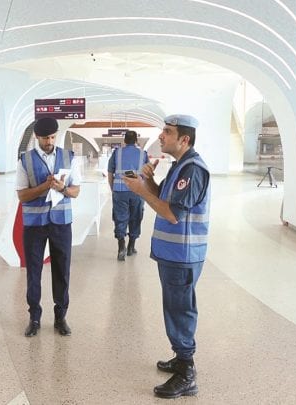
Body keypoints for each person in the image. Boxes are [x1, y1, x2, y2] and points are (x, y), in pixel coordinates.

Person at [123, 114, 209, 399]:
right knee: (174, 307)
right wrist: (149, 182)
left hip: (183, 253)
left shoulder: (193, 169)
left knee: (180, 309)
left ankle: (187, 372)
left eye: (168, 132)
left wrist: (139, 191)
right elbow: (167, 199)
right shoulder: (179, 167)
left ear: (184, 139)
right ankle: (180, 356)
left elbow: (172, 214)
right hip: (172, 253)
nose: (161, 136)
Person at [16, 117, 81, 337]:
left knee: (62, 270)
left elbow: (76, 191)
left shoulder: (68, 157)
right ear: (37, 137)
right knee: (33, 272)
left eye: (53, 137)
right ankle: (34, 317)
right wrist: (44, 186)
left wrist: (62, 188)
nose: (49, 141)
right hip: (34, 224)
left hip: (61, 223)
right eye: (45, 138)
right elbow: (22, 195)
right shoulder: (25, 160)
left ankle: (60, 317)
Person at [107, 130, 149, 261]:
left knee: (120, 217)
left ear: (124, 140)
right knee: (136, 217)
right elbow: (147, 175)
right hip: (138, 191)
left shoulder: (117, 153)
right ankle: (131, 247)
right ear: (136, 140)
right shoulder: (143, 154)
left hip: (120, 190)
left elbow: (110, 172)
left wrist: (113, 188)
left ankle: (121, 246)